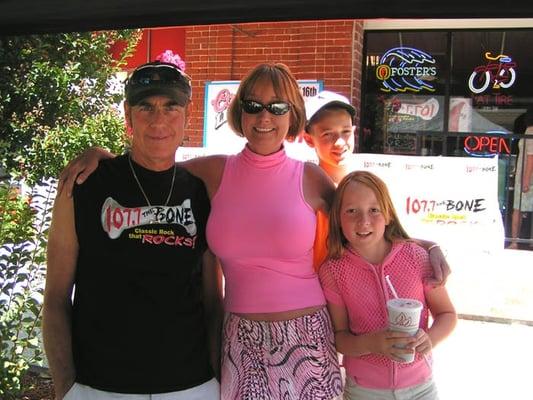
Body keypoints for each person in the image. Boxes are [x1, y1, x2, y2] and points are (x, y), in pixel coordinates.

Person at [56, 62, 343, 399]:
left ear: (292, 114)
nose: (264, 117)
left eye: (277, 107)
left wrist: (421, 251)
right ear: (239, 112)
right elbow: (153, 163)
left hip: (305, 337)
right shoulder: (213, 173)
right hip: (240, 341)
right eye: (253, 105)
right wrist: (101, 157)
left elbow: (369, 229)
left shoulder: (312, 178)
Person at [43, 60, 223, 400]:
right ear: (128, 114)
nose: (159, 120)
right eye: (146, 107)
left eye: (171, 107)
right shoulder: (84, 185)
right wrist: (66, 388)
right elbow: (55, 297)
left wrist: (214, 376)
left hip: (191, 385)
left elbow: (214, 300)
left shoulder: (202, 192)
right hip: (98, 386)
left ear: (188, 113)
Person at [319, 171, 457, 400]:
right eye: (351, 211)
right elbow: (340, 338)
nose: (363, 221)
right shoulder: (333, 271)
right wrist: (371, 343)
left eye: (374, 210)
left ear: (389, 215)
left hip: (420, 388)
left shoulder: (417, 257)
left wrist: (429, 339)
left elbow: (447, 314)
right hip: (364, 390)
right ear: (338, 219)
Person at [303, 90, 450, 281]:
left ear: (354, 132)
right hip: (314, 294)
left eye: (345, 132)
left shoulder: (370, 187)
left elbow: (390, 238)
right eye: (327, 134)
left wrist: (430, 246)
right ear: (308, 139)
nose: (339, 142)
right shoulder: (303, 189)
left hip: (356, 291)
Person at [509, 109, 533, 249]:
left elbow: (531, 156)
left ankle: (514, 241)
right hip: (526, 175)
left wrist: (525, 179)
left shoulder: (530, 131)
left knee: (517, 209)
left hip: (526, 175)